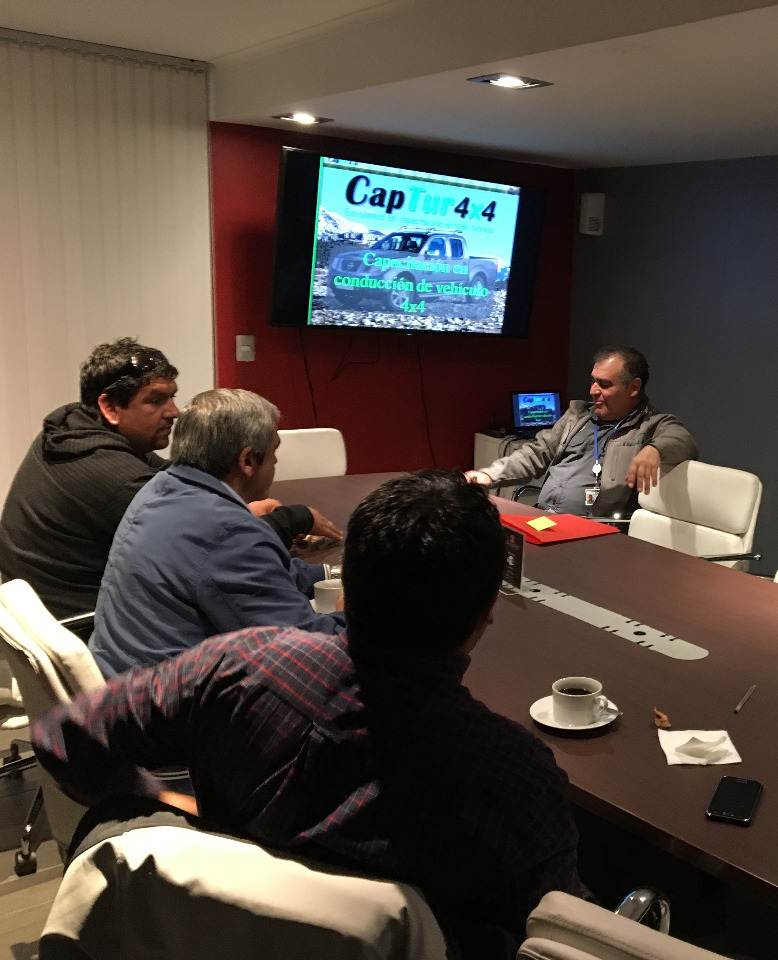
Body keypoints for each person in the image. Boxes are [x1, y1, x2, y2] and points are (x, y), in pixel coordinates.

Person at [33, 471, 585, 956]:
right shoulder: (515, 779)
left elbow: (64, 733)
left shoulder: (236, 666)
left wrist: (160, 803)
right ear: (486, 613)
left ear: (348, 586)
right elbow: (559, 933)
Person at [0, 338, 338, 620]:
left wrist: (246, 511)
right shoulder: (115, 479)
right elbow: (218, 546)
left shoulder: (71, 432)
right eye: (156, 400)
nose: (174, 412)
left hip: (43, 612)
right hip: (83, 623)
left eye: (172, 397)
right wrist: (291, 519)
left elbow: (182, 488)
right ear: (110, 407)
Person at [89, 388, 344, 677]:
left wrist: (334, 573)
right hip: (172, 698)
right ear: (247, 461)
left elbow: (262, 575)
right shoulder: (227, 533)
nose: (275, 463)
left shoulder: (160, 488)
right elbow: (311, 654)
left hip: (119, 681)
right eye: (274, 453)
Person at [465, 346, 698, 518]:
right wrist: (489, 475)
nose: (593, 390)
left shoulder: (652, 425)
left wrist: (654, 449)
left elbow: (684, 440)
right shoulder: (577, 417)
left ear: (634, 388)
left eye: (604, 384)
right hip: (544, 518)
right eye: (593, 381)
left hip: (595, 533)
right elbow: (536, 453)